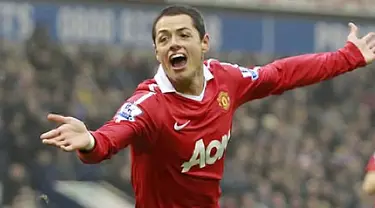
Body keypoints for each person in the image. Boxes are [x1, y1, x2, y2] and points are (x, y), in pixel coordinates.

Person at [40, 5, 375, 208]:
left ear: (204, 44)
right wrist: (90, 142)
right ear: (157, 53)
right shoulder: (149, 105)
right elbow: (113, 136)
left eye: (183, 34)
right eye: (163, 39)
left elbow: (281, 74)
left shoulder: (226, 79)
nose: (173, 43)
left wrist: (348, 57)